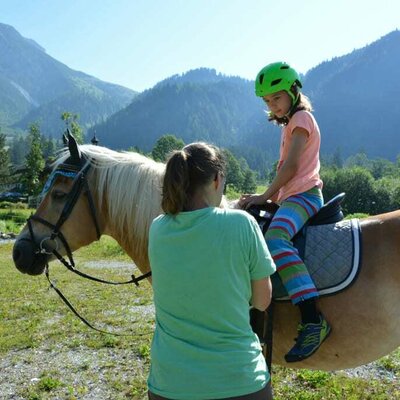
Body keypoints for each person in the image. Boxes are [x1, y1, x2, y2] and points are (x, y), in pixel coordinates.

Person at [147, 142, 276, 400]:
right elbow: (262, 302)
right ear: (217, 179)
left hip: (169, 383)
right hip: (240, 381)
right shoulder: (242, 223)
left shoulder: (158, 228)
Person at [238, 62, 331, 363]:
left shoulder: (301, 119)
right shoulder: (290, 122)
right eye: (266, 101)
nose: (272, 105)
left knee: (276, 241)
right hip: (291, 195)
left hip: (305, 195)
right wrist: (264, 200)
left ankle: (313, 319)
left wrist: (265, 195)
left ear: (294, 90)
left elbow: (291, 168)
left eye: (276, 97)